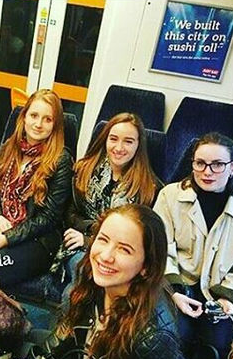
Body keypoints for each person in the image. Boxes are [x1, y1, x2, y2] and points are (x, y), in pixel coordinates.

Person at [153, 132, 233, 359]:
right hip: (176, 284)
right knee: (174, 335)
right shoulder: (169, 196)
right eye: (200, 163)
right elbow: (159, 248)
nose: (207, 172)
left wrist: (228, 300)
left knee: (218, 346)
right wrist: (175, 291)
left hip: (221, 291)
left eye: (217, 164)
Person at [35, 204, 187, 359]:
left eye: (124, 250)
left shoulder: (153, 339)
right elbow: (60, 340)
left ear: (146, 266)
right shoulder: (93, 284)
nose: (106, 256)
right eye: (103, 240)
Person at [0, 89, 73, 287]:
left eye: (47, 119)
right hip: (1, 225)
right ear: (24, 117)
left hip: (37, 241)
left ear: (55, 125)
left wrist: (8, 238)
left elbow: (49, 219)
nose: (38, 124)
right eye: (34, 115)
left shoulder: (61, 160)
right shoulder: (9, 148)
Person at [56, 112, 162, 289]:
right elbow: (70, 213)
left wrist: (90, 240)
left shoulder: (150, 188)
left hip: (120, 254)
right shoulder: (83, 169)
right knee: (84, 271)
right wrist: (88, 234)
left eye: (128, 141)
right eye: (113, 139)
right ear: (105, 140)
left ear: (138, 145)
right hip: (77, 244)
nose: (119, 148)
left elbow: (140, 239)